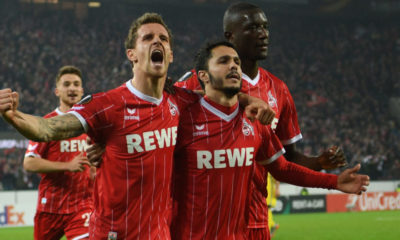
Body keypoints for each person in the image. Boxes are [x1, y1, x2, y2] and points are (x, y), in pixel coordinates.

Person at [0, 13, 272, 240]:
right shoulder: (108, 105)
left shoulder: (179, 100)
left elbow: (216, 95)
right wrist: (15, 116)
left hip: (159, 234)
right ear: (132, 54)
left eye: (163, 39)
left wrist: (248, 97)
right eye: (148, 38)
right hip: (113, 234)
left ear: (171, 55)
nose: (158, 42)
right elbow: (49, 129)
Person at [174, 2, 348, 239]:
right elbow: (163, 101)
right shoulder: (202, 79)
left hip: (255, 217)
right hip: (203, 220)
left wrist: (319, 162)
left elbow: (285, 159)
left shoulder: (278, 89)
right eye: (253, 27)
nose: (263, 34)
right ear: (230, 35)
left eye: (265, 27)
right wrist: (244, 98)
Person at [22, 66, 94, 240]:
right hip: (50, 207)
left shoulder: (92, 123)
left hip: (83, 206)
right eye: (67, 84)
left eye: (76, 84)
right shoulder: (47, 123)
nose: (72, 88)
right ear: (57, 91)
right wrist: (67, 166)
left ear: (82, 90)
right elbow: (29, 163)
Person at [266, 173, 280, 237]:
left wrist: (277, 189)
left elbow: (277, 177)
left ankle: (269, 228)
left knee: (266, 209)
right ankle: (272, 224)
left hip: (269, 192)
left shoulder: (269, 164)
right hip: (263, 191)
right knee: (265, 210)